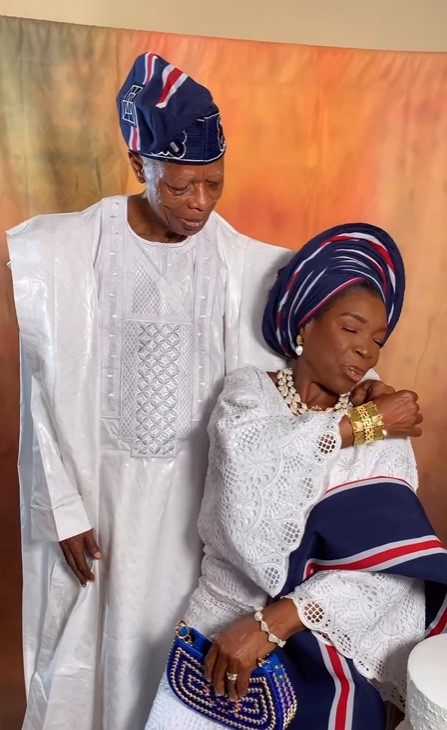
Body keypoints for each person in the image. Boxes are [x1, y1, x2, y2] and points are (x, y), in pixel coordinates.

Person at [7, 52, 296, 730]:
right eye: (182, 186)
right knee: (95, 656)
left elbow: (313, 333)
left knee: (181, 653)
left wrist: (362, 392)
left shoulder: (238, 263)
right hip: (100, 500)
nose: (200, 203)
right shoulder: (73, 250)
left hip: (197, 508)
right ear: (141, 165)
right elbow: (40, 395)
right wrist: (63, 509)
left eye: (214, 183)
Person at [146, 223, 447, 730]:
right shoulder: (248, 396)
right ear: (306, 326)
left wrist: (275, 623)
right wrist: (362, 424)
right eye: (351, 329)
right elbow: (245, 504)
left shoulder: (385, 424)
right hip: (220, 625)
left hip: (331, 651)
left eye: (377, 340)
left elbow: (389, 571)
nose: (367, 351)